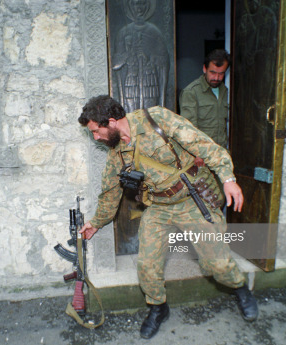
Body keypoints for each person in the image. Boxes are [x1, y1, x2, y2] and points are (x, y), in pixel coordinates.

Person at [77, 95, 258, 339]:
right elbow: (110, 193)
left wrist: (228, 179)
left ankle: (240, 288)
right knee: (147, 265)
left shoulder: (156, 120)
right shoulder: (117, 154)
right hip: (159, 208)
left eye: (96, 132)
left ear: (111, 121)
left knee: (216, 264)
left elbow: (204, 145)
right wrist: (95, 223)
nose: (96, 138)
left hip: (191, 201)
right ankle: (158, 308)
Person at [179, 49, 231, 149]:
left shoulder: (225, 90)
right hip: (202, 155)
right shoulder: (191, 92)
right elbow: (188, 129)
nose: (216, 77)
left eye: (221, 74)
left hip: (221, 152)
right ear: (204, 68)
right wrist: (197, 153)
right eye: (213, 72)